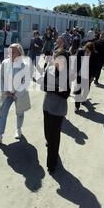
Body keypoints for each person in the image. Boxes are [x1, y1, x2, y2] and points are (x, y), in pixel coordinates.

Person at [0, 44, 31, 143]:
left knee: (20, 113)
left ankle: (18, 129)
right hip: (7, 94)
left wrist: (16, 94)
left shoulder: (25, 64)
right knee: (2, 113)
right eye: (9, 51)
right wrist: (5, 91)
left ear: (20, 53)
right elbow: (1, 78)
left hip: (19, 94)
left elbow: (26, 81)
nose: (10, 53)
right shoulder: (5, 62)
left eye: (13, 51)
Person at [42, 36, 70, 174]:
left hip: (58, 110)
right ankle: (50, 143)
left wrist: (52, 87)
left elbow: (65, 94)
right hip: (47, 106)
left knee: (54, 137)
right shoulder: (50, 70)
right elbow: (44, 86)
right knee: (47, 132)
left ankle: (51, 164)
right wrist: (56, 88)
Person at [74, 42, 100, 112]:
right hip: (80, 74)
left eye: (89, 51)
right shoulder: (80, 52)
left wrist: (93, 76)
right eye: (86, 50)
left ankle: (83, 99)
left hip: (89, 75)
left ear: (92, 50)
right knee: (78, 89)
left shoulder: (95, 54)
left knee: (86, 89)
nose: (87, 52)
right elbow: (75, 62)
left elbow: (97, 67)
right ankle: (77, 106)